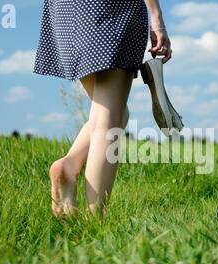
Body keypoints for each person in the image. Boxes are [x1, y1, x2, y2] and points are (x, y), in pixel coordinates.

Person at [33, 0, 172, 217]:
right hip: (112, 9)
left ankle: (70, 165)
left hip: (66, 10)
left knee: (113, 113)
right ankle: (95, 223)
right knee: (109, 122)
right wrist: (157, 18)